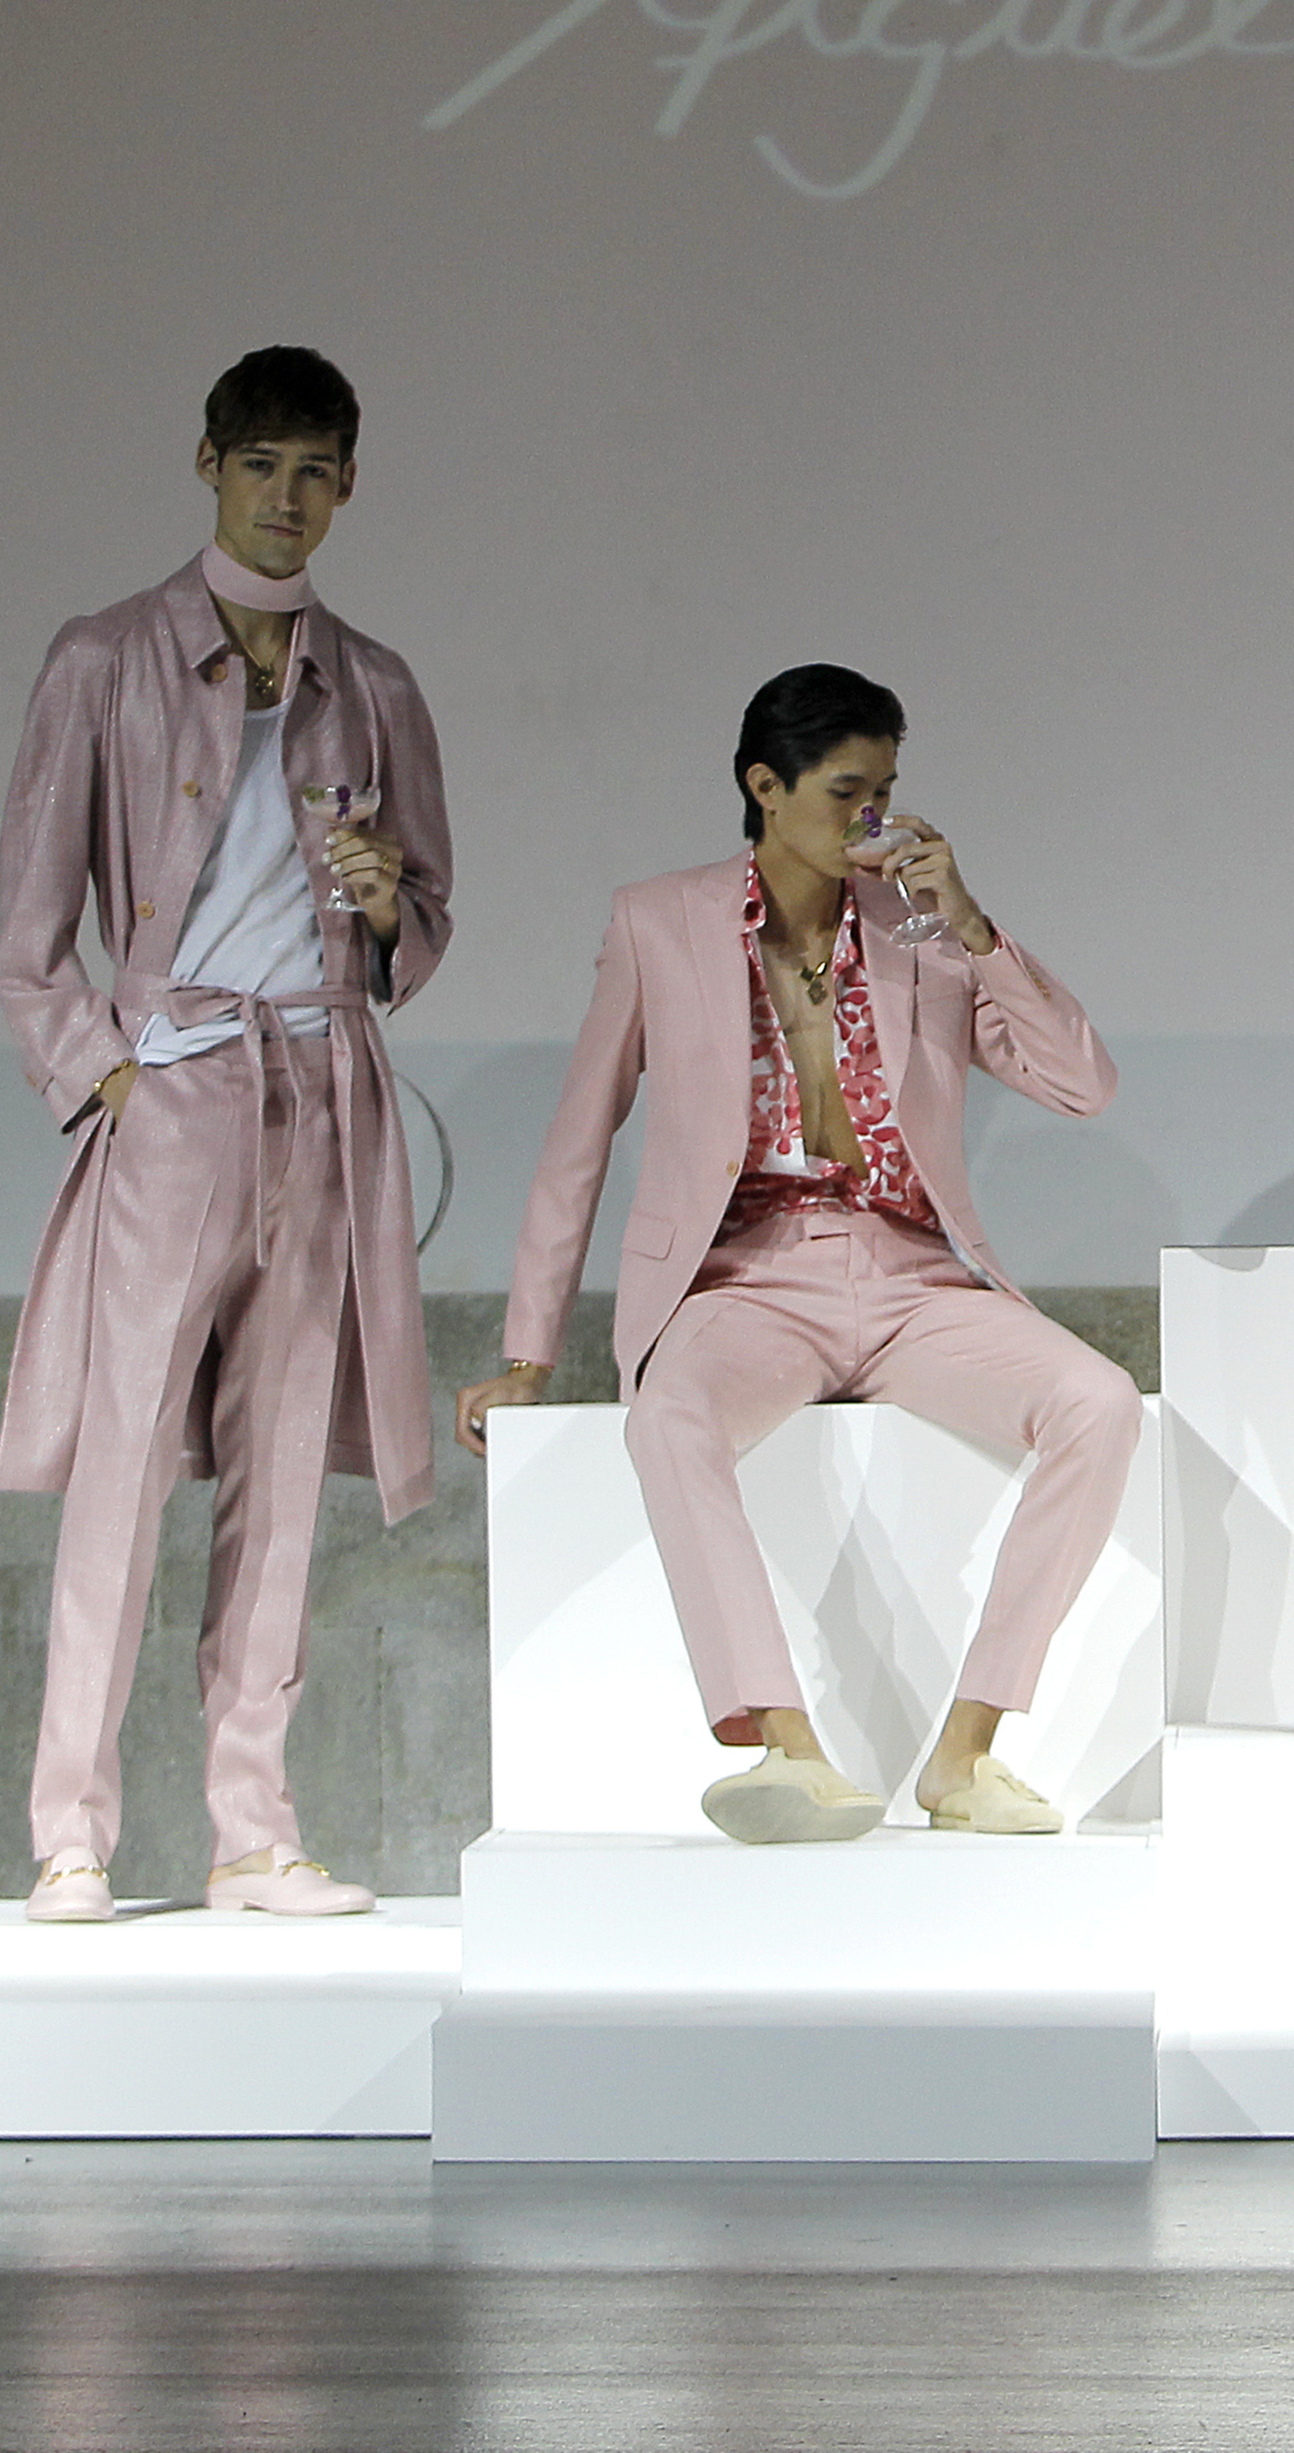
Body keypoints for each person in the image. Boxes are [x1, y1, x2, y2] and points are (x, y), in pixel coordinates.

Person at [456, 665, 1139, 1839]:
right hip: (748, 1276)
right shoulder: (657, 920)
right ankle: (787, 1747)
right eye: (846, 793)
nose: (873, 822)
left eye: (886, 793)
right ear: (763, 786)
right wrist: (528, 1350)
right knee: (667, 1417)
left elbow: (1082, 1083)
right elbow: (577, 1140)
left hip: (914, 1273)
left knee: (1101, 1401)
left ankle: (966, 1753)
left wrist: (972, 924)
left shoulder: (923, 933)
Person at [0, 345, 451, 1922]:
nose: (287, 497)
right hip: (176, 1088)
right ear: (208, 464)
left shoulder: (374, 683)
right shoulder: (106, 657)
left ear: (348, 482)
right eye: (262, 464)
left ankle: (253, 1826)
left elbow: (429, 913)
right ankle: (73, 1826)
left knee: (276, 1467)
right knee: (122, 1461)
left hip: (320, 1091)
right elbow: (32, 926)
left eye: (316, 469)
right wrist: (103, 1074)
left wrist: (390, 916)